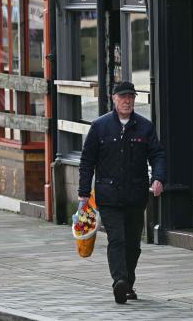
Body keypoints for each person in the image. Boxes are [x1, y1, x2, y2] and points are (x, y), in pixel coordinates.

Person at [78, 81, 166, 304]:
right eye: (123, 97)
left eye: (131, 97)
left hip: (136, 196)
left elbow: (157, 155)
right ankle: (119, 281)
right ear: (114, 99)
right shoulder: (100, 127)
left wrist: (158, 178)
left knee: (133, 244)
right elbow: (87, 161)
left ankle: (128, 284)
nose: (127, 101)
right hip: (108, 196)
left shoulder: (145, 127)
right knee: (116, 239)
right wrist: (83, 194)